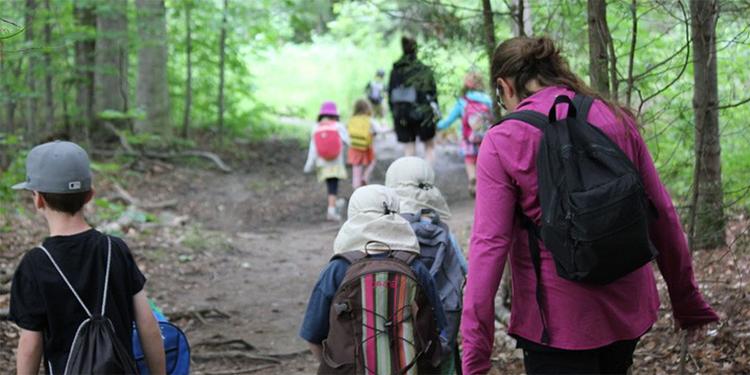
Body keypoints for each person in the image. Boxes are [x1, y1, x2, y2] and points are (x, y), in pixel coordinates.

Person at [461, 36, 719, 375]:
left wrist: (475, 353)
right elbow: (662, 213)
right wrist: (686, 299)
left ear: (504, 86)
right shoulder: (613, 116)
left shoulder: (502, 141)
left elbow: (488, 247)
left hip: (556, 323)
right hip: (628, 311)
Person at [8, 141, 166, 375]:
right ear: (90, 195)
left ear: (38, 199)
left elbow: (30, 347)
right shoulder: (116, 249)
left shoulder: (35, 264)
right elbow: (148, 325)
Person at [299, 185, 447, 374]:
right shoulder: (415, 267)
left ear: (353, 216)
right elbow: (438, 326)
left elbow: (312, 334)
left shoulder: (338, 268)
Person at [385, 156, 468, 375]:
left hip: (393, 334)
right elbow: (463, 272)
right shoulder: (440, 230)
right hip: (441, 333)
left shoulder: (383, 229)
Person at [437, 72, 494, 197]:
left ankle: (472, 178)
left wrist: (437, 125)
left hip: (469, 138)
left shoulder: (462, 102)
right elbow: (493, 118)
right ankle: (483, 185)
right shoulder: (488, 100)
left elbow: (449, 120)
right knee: (482, 161)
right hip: (485, 138)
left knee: (470, 160)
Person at [388, 36, 440, 164]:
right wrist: (435, 113)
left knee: (409, 148)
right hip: (424, 113)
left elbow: (390, 94)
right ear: (416, 49)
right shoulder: (424, 69)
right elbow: (432, 93)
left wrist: (394, 113)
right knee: (429, 146)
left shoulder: (396, 70)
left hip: (402, 114)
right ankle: (426, 180)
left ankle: (409, 180)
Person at [304, 101, 350, 221]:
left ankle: (333, 205)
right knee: (333, 185)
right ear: (335, 114)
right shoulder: (338, 126)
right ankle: (331, 210)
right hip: (335, 161)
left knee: (331, 184)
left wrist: (309, 166)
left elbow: (312, 149)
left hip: (322, 162)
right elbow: (348, 141)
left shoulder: (316, 127)